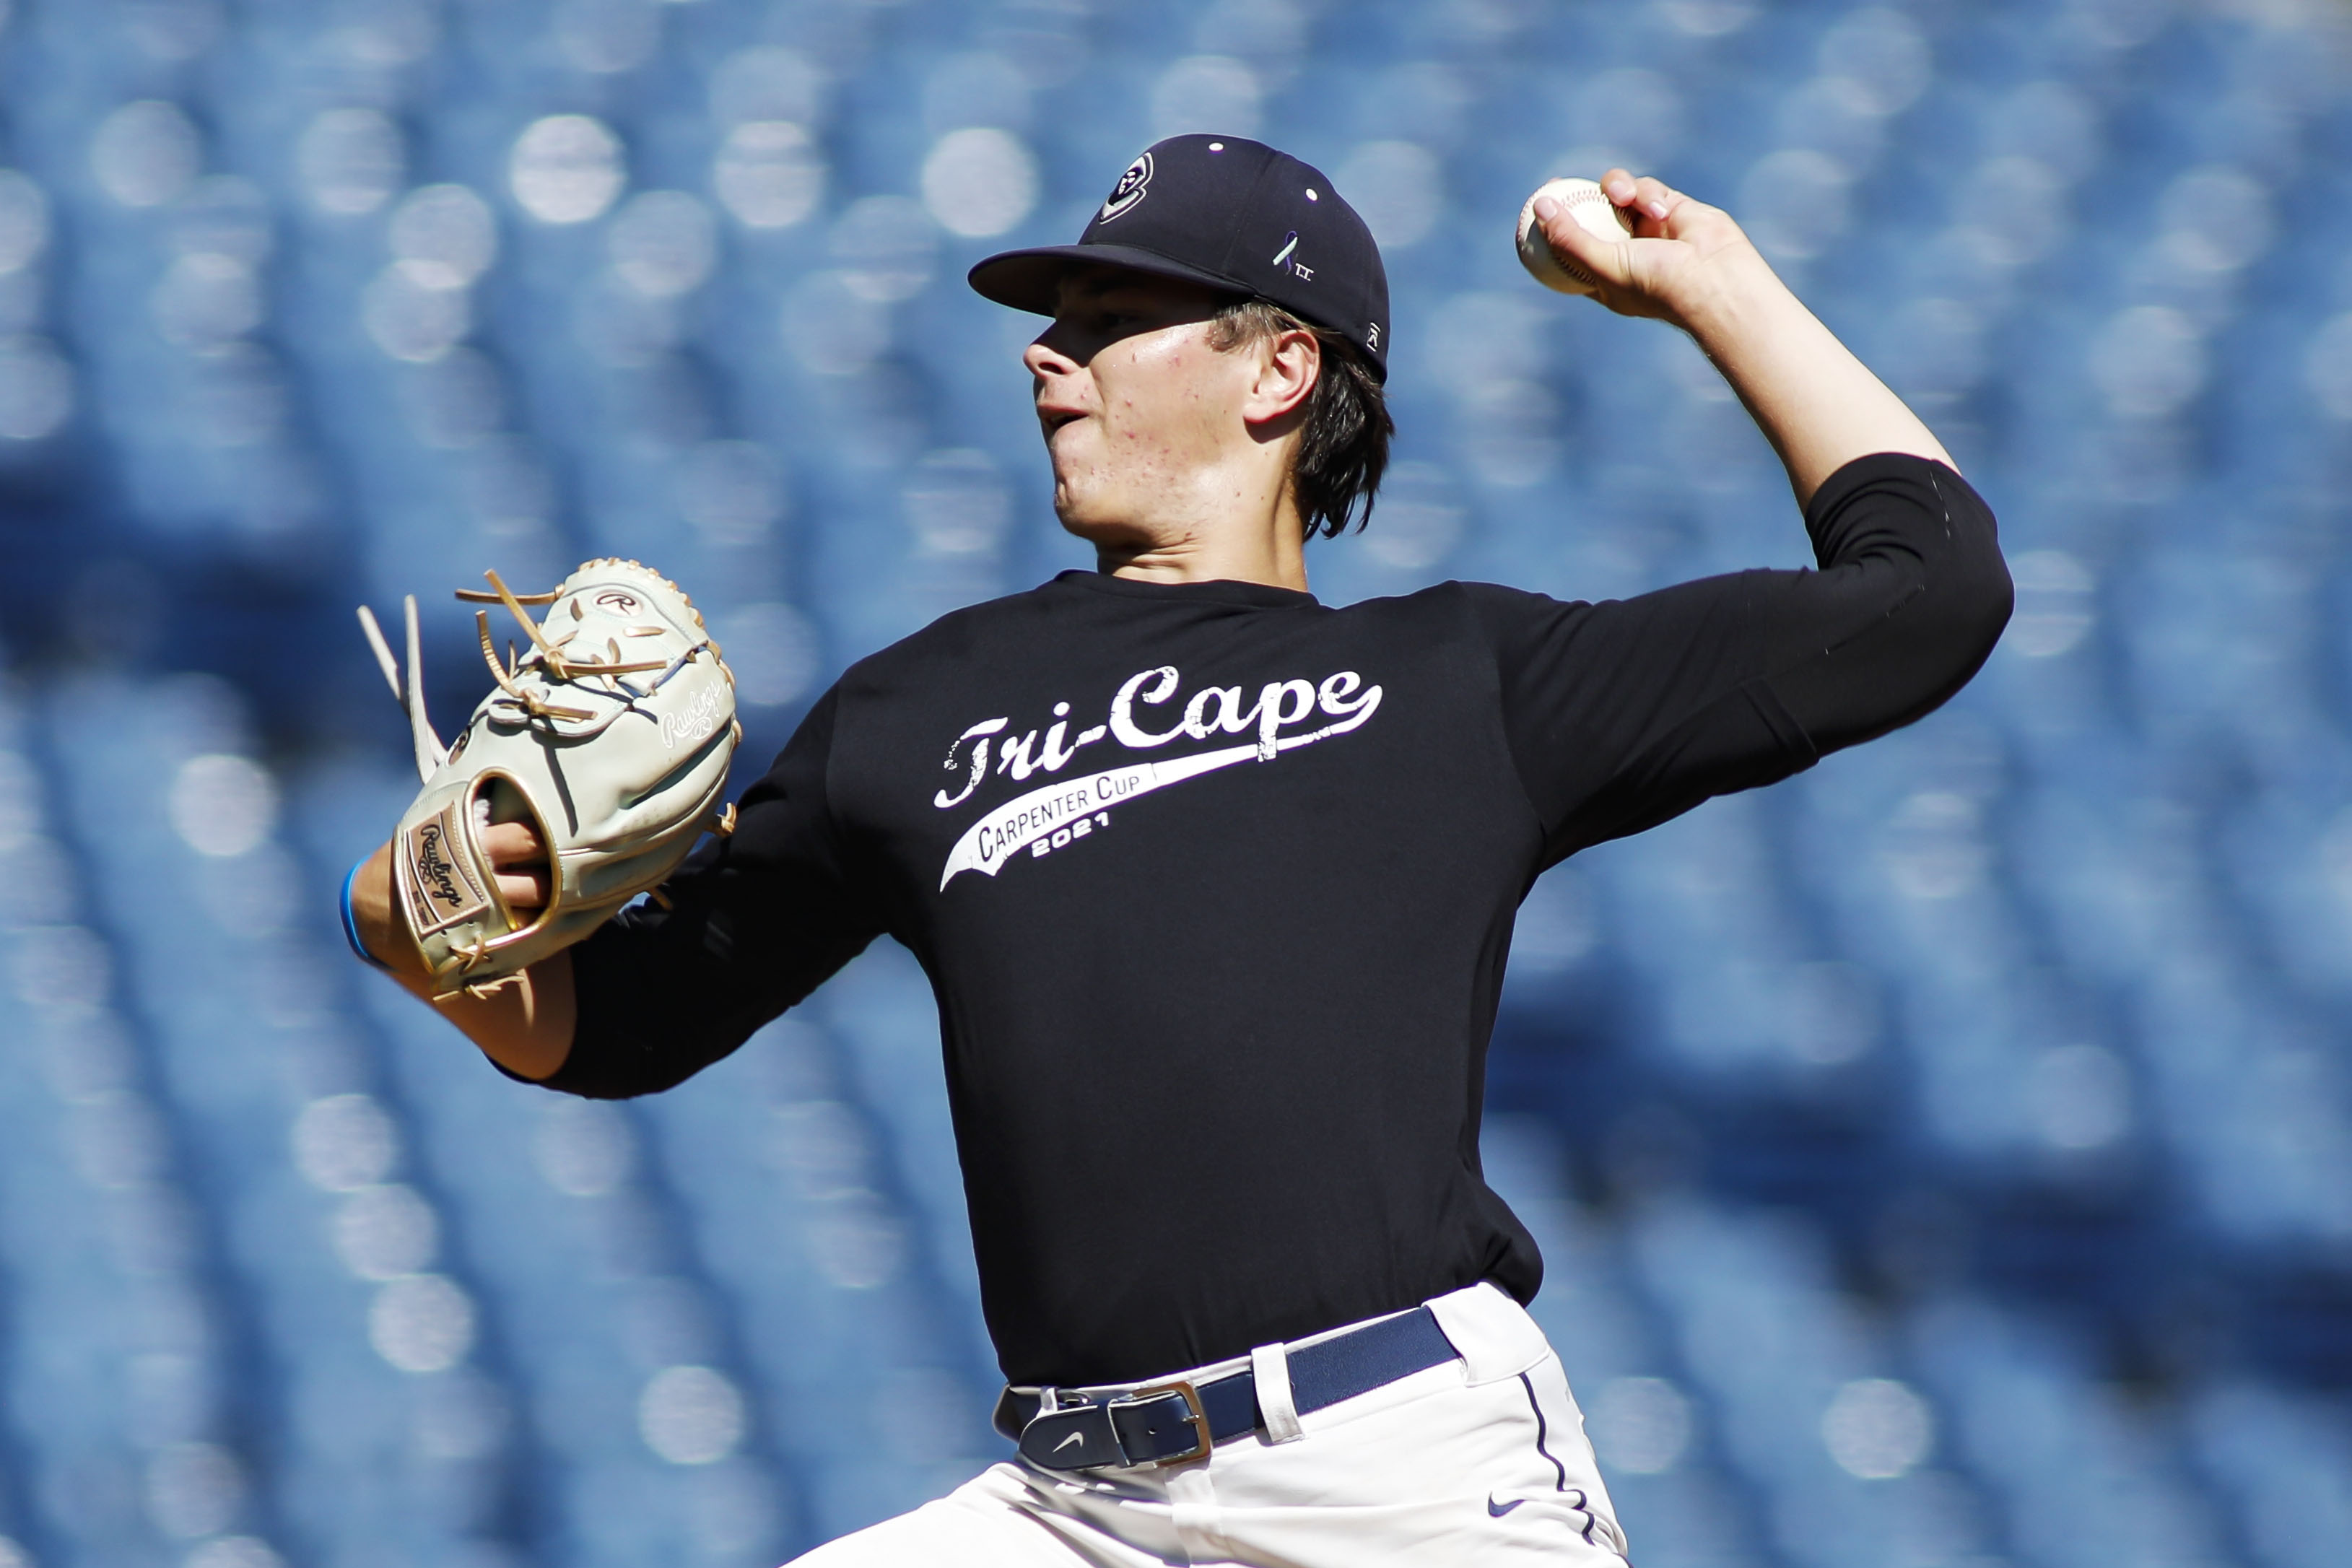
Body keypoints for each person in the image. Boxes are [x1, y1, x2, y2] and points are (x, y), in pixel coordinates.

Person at [347, 135, 2011, 1564]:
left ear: (1279, 367)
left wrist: (1715, 290)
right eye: (1055, 322)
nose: (1045, 353)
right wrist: (427, 923)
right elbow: (623, 1024)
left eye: (1109, 316)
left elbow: (1925, 594)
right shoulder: (918, 711)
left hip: (1404, 1474)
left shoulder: (1457, 681)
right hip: (1079, 1511)